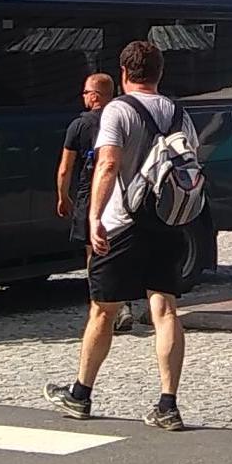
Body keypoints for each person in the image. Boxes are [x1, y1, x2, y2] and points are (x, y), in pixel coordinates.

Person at [46, 39, 197, 430]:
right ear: (160, 74)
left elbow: (108, 164)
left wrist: (94, 217)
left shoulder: (117, 110)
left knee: (103, 309)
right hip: (167, 222)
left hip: (122, 224)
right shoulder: (178, 112)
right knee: (164, 310)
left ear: (124, 74)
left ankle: (81, 394)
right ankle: (168, 404)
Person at [56, 72, 143, 332]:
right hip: (123, 194)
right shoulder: (124, 117)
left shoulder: (79, 126)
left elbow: (65, 168)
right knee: (121, 250)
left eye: (85, 92)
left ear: (95, 95)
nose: (83, 97)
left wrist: (63, 196)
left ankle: (101, 306)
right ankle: (125, 303)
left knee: (94, 255)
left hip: (90, 194)